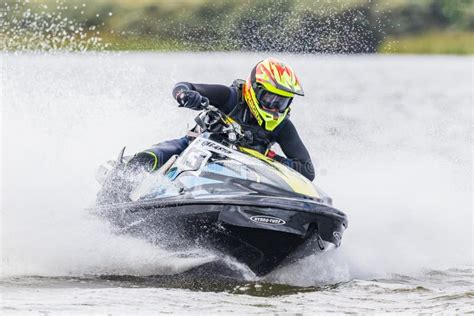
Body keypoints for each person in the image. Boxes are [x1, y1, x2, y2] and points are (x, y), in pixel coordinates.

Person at [129, 57, 315, 181]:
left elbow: (307, 171)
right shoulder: (230, 97)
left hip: (243, 175)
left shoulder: (283, 126)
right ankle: (122, 179)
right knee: (153, 156)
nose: (275, 107)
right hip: (196, 151)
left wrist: (268, 157)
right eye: (270, 98)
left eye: (282, 102)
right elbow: (183, 86)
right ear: (255, 89)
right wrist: (186, 96)